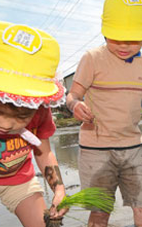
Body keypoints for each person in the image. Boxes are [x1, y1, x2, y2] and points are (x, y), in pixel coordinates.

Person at [65, 0, 142, 226]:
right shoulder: (92, 58)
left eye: (132, 39)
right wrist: (75, 106)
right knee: (100, 212)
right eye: (117, 38)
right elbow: (72, 95)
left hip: (132, 148)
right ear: (105, 31)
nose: (124, 45)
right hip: (95, 150)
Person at [0, 21, 67, 226]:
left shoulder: (39, 109)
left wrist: (59, 188)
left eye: (21, 118)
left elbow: (43, 152)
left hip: (17, 178)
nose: (6, 124)